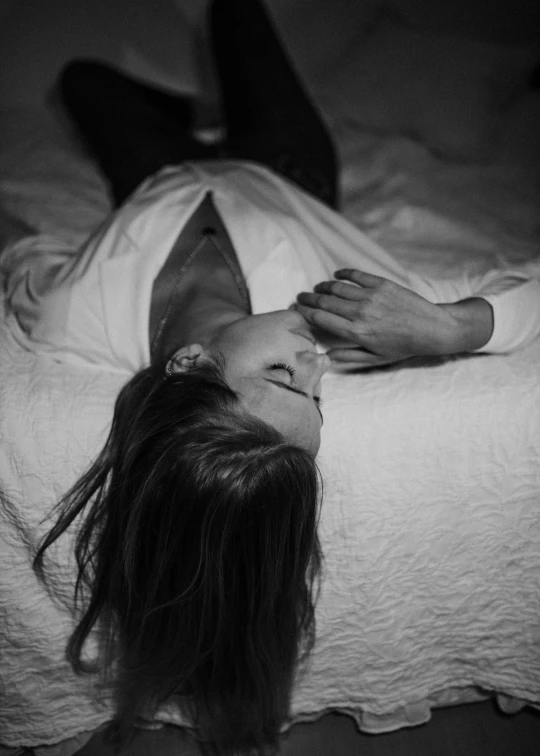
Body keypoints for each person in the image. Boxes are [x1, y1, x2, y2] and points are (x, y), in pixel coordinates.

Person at [1, 1, 539, 755]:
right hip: (288, 168)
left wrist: (54, 249)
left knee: (84, 78)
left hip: (153, 177)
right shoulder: (343, 306)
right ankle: (219, 115)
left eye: (286, 373)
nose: (319, 361)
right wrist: (450, 325)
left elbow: (24, 264)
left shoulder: (70, 315)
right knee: (240, 13)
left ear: (190, 364)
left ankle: (193, 120)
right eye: (315, 392)